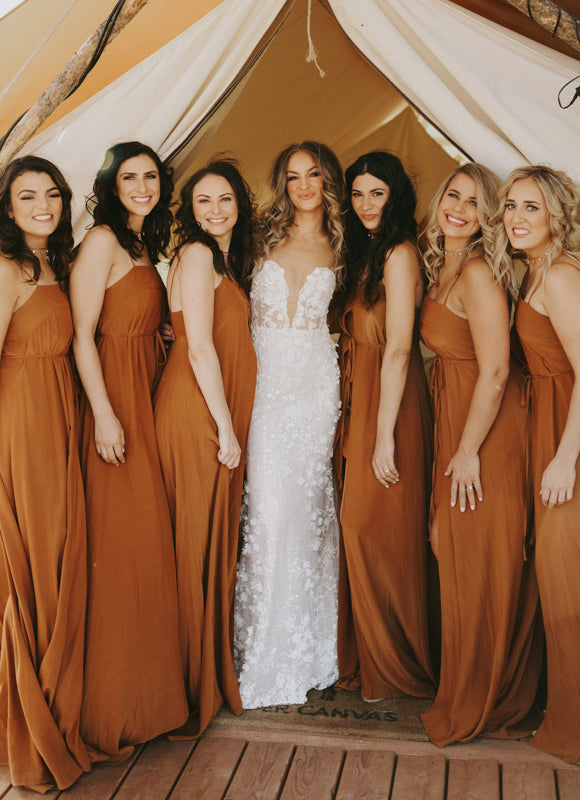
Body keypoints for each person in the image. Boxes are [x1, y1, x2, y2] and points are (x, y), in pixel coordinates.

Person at [70, 141, 187, 760]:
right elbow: (82, 336)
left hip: (145, 386)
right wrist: (105, 415)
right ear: (111, 186)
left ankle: (150, 701)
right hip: (115, 403)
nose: (142, 187)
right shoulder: (101, 242)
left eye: (151, 177)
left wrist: (157, 329)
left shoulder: (143, 244)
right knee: (124, 548)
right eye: (130, 178)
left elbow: (130, 314)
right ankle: (113, 707)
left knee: (147, 547)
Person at [419, 163, 542, 745]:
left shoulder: (476, 271)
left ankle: (486, 694)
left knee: (479, 554)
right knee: (454, 548)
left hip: (487, 428)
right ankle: (465, 683)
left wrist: (468, 451)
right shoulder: (442, 264)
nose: (459, 209)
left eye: (474, 203)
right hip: (457, 418)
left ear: (488, 216)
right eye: (453, 195)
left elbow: (495, 371)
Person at [0, 156, 90, 791]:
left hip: (60, 413)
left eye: (52, 194)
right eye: (27, 197)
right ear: (7, 207)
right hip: (22, 419)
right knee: (35, 552)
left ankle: (53, 691)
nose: (43, 206)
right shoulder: (2, 269)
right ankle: (27, 709)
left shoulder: (53, 262)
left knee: (57, 551)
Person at [233, 141, 343, 708]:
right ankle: (261, 650)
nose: (304, 185)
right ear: (282, 183)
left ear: (328, 182)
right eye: (294, 175)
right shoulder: (256, 238)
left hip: (316, 391)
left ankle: (311, 649)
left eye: (314, 174)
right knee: (267, 514)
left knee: (306, 516)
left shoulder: (347, 244)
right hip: (264, 390)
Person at [154, 159, 257, 737]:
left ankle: (199, 678)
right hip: (197, 414)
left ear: (239, 203)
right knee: (193, 544)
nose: (215, 210)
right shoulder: (196, 255)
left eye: (224, 199)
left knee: (206, 541)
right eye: (203, 201)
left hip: (212, 411)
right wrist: (225, 425)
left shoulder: (220, 260)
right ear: (190, 212)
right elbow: (198, 348)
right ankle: (185, 688)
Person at [333, 151, 434, 701]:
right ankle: (373, 657)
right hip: (361, 394)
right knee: (366, 527)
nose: (366, 203)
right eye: (357, 193)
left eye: (377, 192)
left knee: (370, 526)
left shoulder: (399, 253)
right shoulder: (365, 251)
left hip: (390, 402)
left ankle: (394, 666)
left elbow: (398, 348)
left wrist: (384, 435)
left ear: (395, 195)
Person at [496, 165, 580, 764]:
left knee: (568, 581)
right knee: (557, 581)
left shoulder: (561, 276)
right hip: (549, 433)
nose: (518, 218)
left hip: (569, 440)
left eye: (532, 207)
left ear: (556, 214)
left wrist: (566, 458)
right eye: (511, 206)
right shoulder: (532, 270)